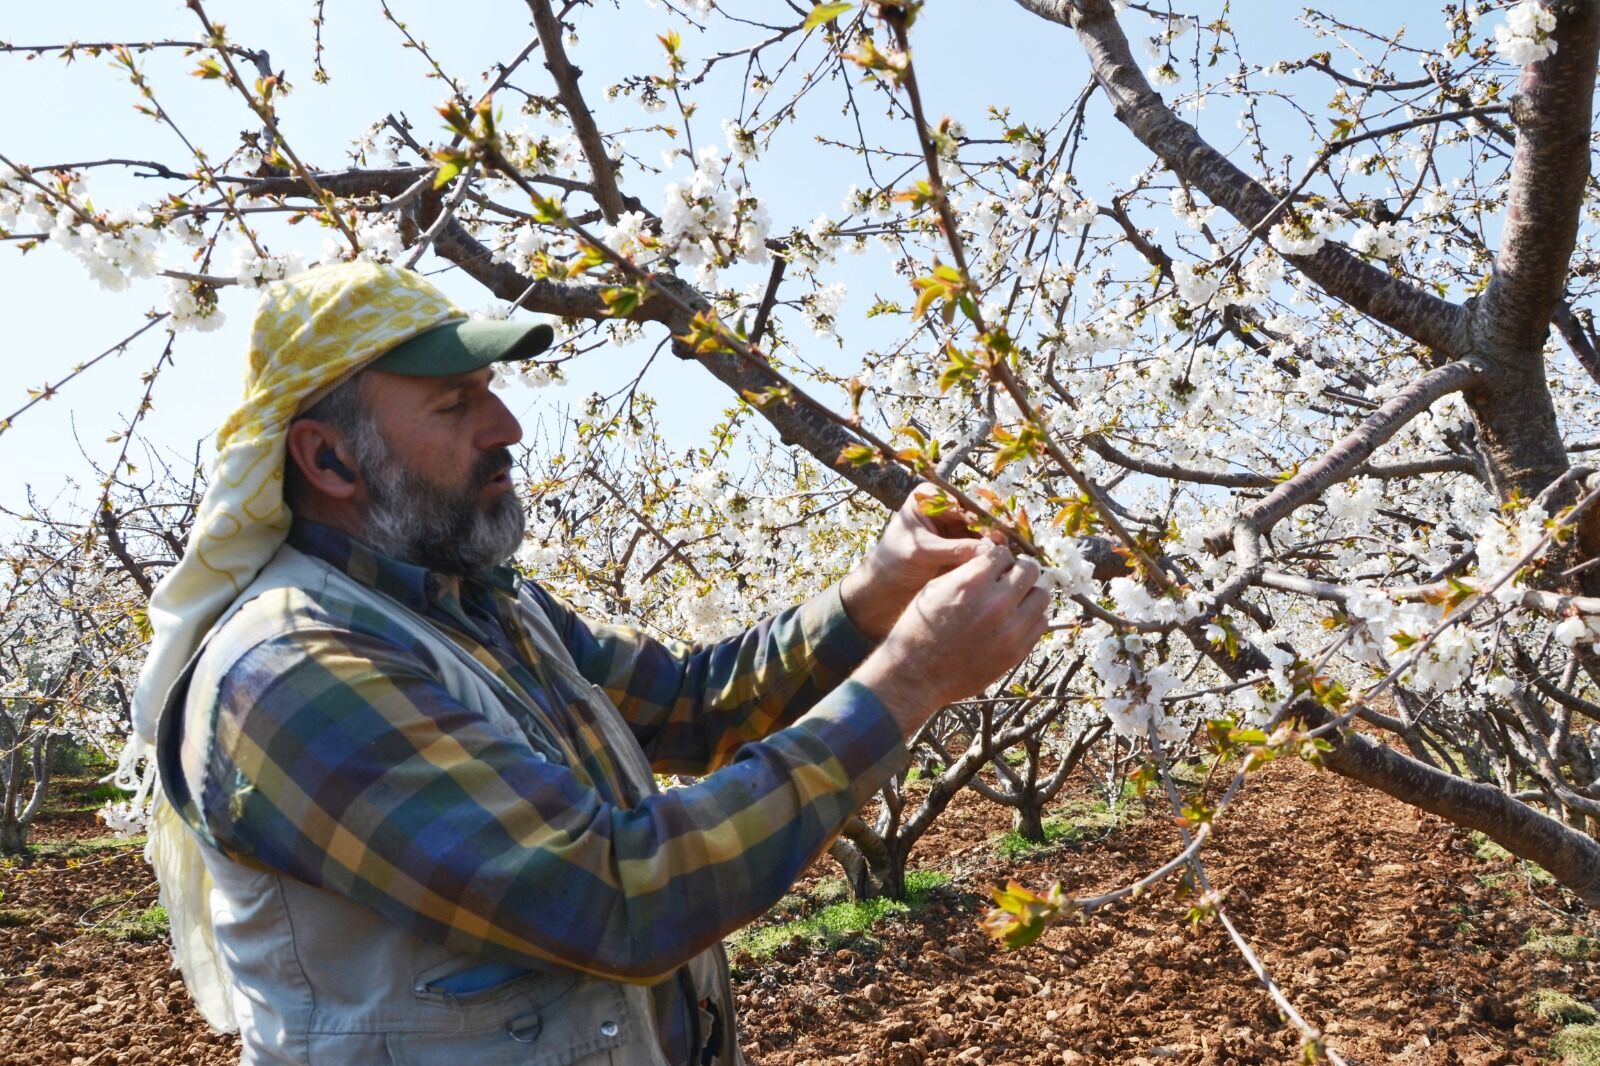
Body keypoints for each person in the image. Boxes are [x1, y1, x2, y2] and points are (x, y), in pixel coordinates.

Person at [130, 261, 1049, 1066]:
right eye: (454, 404)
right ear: (328, 458)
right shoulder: (291, 670)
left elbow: (693, 705)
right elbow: (615, 895)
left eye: (489, 388)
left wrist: (877, 592)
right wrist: (914, 677)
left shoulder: (484, 606)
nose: (506, 426)